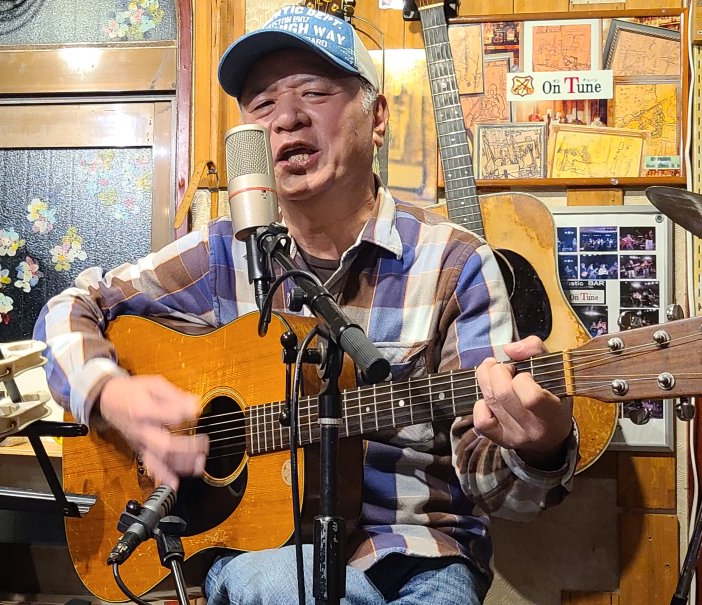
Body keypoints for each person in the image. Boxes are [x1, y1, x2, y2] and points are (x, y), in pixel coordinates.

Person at [34, 6, 577, 604]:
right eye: (262, 104)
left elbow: (498, 492)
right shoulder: (221, 252)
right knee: (285, 587)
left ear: (377, 117)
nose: (286, 118)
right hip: (261, 553)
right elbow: (72, 304)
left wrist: (539, 446)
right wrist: (110, 395)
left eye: (314, 92)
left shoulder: (455, 262)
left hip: (416, 556)